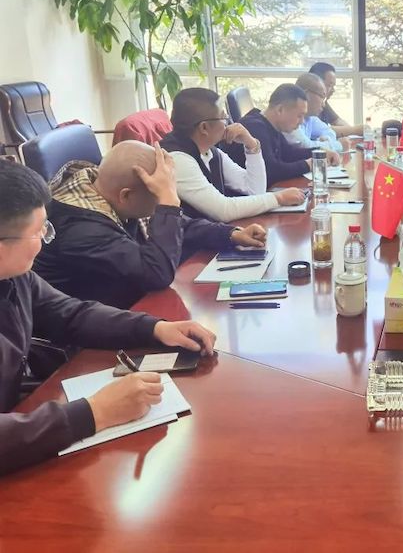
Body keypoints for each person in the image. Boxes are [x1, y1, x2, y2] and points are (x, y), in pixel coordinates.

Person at [0, 159, 216, 475]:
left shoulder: (16, 276)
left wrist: (155, 328)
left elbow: (71, 314)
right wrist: (94, 413)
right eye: (38, 232)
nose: (46, 239)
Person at [33, 141, 267, 309]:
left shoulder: (106, 189)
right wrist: (168, 203)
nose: (162, 202)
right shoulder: (82, 229)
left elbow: (178, 225)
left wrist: (231, 234)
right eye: (158, 197)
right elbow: (156, 274)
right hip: (84, 343)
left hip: (126, 308)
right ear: (126, 196)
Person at [159, 87, 305, 222]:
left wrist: (252, 145)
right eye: (223, 118)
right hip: (189, 241)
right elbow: (222, 210)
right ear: (204, 128)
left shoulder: (210, 151)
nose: (228, 123)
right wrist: (278, 198)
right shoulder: (177, 159)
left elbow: (255, 190)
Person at [224, 84, 340, 185]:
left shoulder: (270, 125)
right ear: (280, 110)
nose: (301, 122)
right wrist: (309, 164)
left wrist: (320, 152)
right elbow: (272, 171)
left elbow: (288, 153)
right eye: (299, 116)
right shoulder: (255, 128)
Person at [285, 73, 349, 153]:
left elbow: (330, 132)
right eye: (322, 97)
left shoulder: (310, 118)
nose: (323, 104)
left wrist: (326, 140)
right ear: (306, 94)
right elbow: (306, 147)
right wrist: (339, 145)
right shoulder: (289, 116)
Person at [308, 62, 362, 137]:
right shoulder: (307, 104)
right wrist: (354, 130)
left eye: (333, 86)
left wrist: (352, 131)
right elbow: (322, 130)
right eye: (330, 85)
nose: (333, 90)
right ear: (316, 83)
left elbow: (337, 121)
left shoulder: (323, 102)